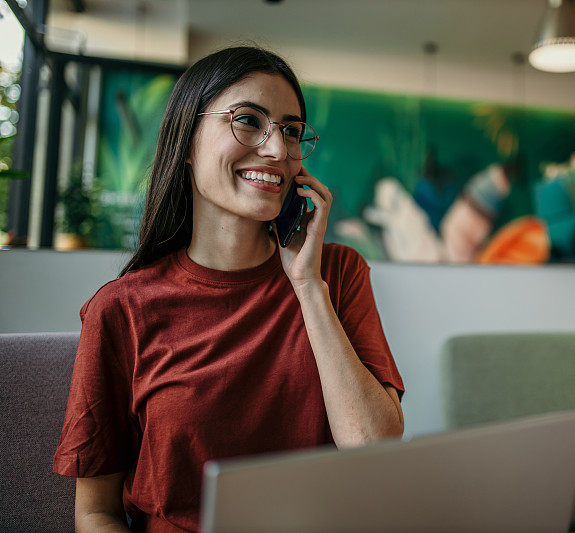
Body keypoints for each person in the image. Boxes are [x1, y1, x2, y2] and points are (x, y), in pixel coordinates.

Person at [52, 46, 405, 533]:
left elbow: (373, 448)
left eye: (291, 130)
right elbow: (95, 513)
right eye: (248, 121)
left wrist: (307, 286)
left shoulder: (338, 275)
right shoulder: (122, 309)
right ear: (188, 139)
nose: (278, 150)